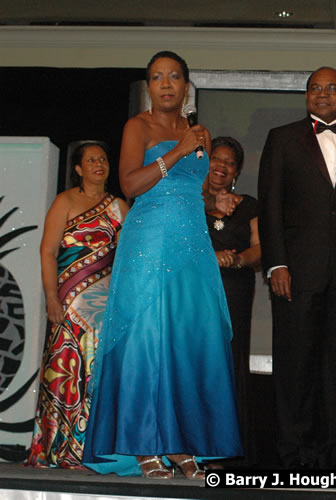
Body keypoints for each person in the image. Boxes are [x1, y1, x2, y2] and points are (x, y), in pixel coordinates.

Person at [83, 51, 242, 479]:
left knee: (186, 342)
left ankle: (179, 443)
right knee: (147, 340)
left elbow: (189, 190)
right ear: (149, 87)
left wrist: (215, 201)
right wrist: (178, 152)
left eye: (174, 77)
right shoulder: (139, 126)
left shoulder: (197, 131)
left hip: (192, 246)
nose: (166, 84)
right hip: (150, 243)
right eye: (157, 77)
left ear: (186, 86)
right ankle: (142, 444)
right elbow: (131, 183)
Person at [258, 66, 336, 469]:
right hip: (294, 272)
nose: (323, 94)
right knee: (295, 365)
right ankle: (293, 452)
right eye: (316, 88)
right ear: (307, 95)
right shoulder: (282, 138)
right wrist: (276, 262)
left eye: (332, 88)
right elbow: (271, 206)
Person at [27, 143, 128, 469]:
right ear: (79, 169)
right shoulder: (65, 201)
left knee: (100, 375)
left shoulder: (119, 206)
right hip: (69, 307)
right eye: (91, 160)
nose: (99, 163)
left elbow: (129, 259)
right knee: (66, 373)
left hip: (107, 309)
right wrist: (52, 299)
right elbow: (47, 253)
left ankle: (92, 452)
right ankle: (59, 449)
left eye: (102, 158)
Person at [205, 136, 261, 467]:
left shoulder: (249, 205)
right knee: (196, 363)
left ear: (236, 170)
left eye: (229, 162)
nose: (221, 167)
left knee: (228, 363)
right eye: (216, 159)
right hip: (197, 291)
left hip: (235, 291)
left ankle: (221, 449)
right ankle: (189, 445)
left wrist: (237, 259)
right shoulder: (189, 203)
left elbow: (260, 247)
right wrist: (211, 257)